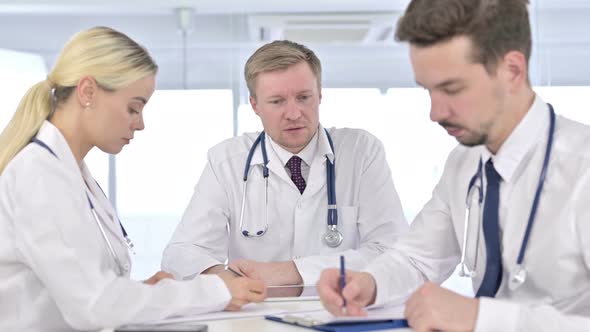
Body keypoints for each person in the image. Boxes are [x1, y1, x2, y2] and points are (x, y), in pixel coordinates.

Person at [316, 0, 590, 331]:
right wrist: (368, 284)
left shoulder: (582, 168)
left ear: (512, 71)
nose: (435, 113)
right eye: (428, 90)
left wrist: (481, 318)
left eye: (452, 88)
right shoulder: (464, 163)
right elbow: (417, 258)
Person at [0, 26, 265, 332]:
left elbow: (81, 289)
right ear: (87, 92)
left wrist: (146, 292)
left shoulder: (67, 171)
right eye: (133, 108)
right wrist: (214, 291)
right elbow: (94, 306)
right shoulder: (39, 174)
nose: (140, 124)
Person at [161, 40, 408, 287]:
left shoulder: (360, 151)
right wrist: (227, 278)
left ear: (320, 94)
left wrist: (288, 273)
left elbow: (393, 252)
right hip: (256, 316)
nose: (293, 113)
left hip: (341, 313)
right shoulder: (226, 161)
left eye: (303, 97)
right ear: (255, 104)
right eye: (277, 101)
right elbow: (181, 254)